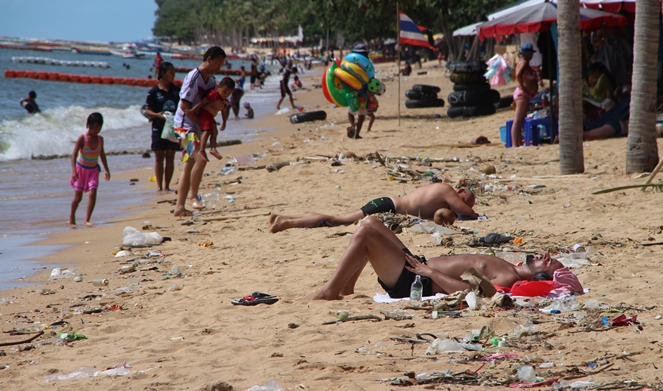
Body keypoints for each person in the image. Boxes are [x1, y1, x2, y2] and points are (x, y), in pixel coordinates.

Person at [303, 217, 564, 300]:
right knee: (370, 222)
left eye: (548, 261)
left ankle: (331, 290)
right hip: (417, 265)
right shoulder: (512, 268)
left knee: (365, 235)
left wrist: (430, 274)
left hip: (414, 279)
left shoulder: (507, 278)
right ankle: (347, 287)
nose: (545, 256)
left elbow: (468, 291)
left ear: (542, 275)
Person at [268, 183, 477, 233]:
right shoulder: (448, 190)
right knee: (336, 220)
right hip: (388, 207)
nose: (465, 203)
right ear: (461, 191)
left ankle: (283, 217)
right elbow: (466, 212)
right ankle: (287, 223)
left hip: (388, 203)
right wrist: (474, 213)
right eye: (467, 198)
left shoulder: (439, 190)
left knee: (337, 217)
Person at [172, 46, 226, 216]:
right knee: (200, 158)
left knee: (189, 164)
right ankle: (193, 197)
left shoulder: (211, 80)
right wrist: (203, 125)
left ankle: (179, 207)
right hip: (183, 126)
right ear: (208, 59)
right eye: (218, 64)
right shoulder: (193, 77)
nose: (219, 68)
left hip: (195, 125)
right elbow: (184, 106)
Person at [69, 112, 111, 227]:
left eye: (99, 128)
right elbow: (74, 154)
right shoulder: (83, 138)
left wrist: (107, 170)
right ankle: (72, 216)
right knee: (78, 198)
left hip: (93, 171)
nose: (97, 130)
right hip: (80, 170)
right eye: (95, 127)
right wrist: (73, 171)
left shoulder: (100, 140)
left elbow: (102, 155)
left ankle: (87, 219)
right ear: (88, 125)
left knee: (93, 193)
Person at [145, 62, 180, 192]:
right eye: (171, 72)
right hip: (158, 126)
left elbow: (183, 107)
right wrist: (157, 115)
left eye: (174, 72)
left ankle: (167, 186)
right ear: (163, 74)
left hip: (172, 127)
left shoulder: (177, 91)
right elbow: (147, 110)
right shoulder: (153, 92)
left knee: (170, 156)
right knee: (159, 157)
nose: (173, 75)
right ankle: (159, 187)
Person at [185, 76, 236, 161]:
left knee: (215, 132)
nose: (225, 95)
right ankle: (201, 150)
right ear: (218, 86)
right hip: (205, 114)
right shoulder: (214, 94)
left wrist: (224, 122)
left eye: (228, 94)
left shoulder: (224, 100)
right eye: (224, 92)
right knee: (207, 131)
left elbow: (224, 111)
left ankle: (213, 149)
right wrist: (192, 110)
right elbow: (202, 102)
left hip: (210, 116)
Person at [510, 43, 539, 147]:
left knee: (521, 119)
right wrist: (522, 87)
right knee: (518, 119)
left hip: (525, 94)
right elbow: (518, 75)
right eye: (530, 53)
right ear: (525, 54)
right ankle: (514, 144)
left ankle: (517, 143)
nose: (531, 56)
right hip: (522, 95)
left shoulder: (525, 63)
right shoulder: (523, 62)